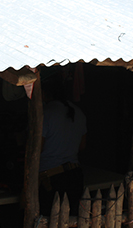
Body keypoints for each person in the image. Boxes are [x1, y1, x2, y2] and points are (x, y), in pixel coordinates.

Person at [38, 76, 87, 215]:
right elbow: (82, 146)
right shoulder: (78, 112)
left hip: (51, 177)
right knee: (71, 218)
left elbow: (38, 148)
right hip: (74, 174)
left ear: (45, 93)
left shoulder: (45, 113)